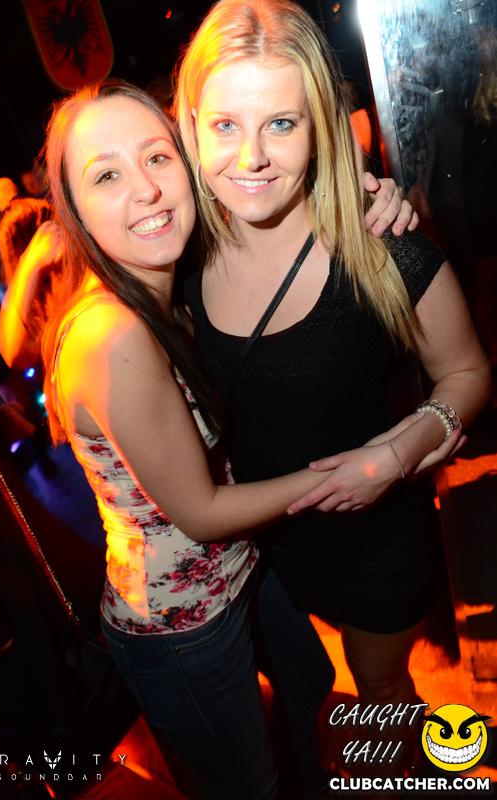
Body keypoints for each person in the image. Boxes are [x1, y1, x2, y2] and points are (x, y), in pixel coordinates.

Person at [175, 0, 491, 768]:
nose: (251, 157)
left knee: (377, 689)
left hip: (374, 541)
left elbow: (467, 372)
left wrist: (397, 453)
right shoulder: (176, 258)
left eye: (280, 123)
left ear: (320, 124)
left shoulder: (381, 248)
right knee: (310, 691)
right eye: (225, 125)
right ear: (189, 126)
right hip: (260, 547)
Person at [40, 79, 345, 800]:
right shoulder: (113, 334)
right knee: (251, 787)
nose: (146, 189)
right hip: (181, 627)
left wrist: (362, 199)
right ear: (75, 210)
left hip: (240, 566)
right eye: (106, 175)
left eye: (157, 157)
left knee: (310, 679)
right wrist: (349, 471)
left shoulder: (165, 289)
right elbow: (202, 513)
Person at [0, 197, 62, 369]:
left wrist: (28, 267)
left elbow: (12, 354)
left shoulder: (66, 276)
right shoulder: (25, 294)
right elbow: (11, 353)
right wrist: (30, 265)